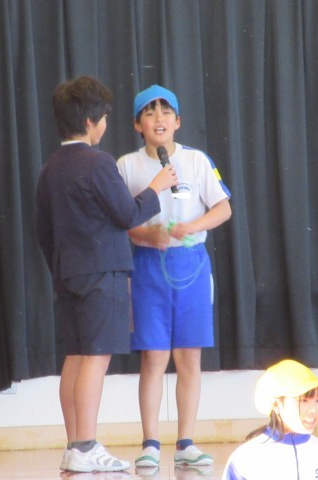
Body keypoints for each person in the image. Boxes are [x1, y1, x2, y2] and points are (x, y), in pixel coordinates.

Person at [36, 76, 177, 473]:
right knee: (95, 360)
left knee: (76, 356)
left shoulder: (50, 168)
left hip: (68, 273)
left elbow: (43, 230)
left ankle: (74, 446)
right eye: (104, 118)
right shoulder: (97, 162)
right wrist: (157, 187)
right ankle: (86, 445)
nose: (105, 125)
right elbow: (127, 214)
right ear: (90, 121)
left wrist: (62, 268)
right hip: (102, 274)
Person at [116, 85, 232, 468]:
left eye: (166, 112)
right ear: (138, 125)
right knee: (153, 357)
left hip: (192, 265)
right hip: (148, 265)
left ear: (178, 121)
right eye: (150, 113)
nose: (159, 119)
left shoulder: (196, 161)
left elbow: (223, 209)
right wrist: (148, 234)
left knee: (189, 356)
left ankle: (186, 443)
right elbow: (120, 221)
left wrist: (191, 226)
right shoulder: (126, 166)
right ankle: (150, 443)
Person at [222, 359, 318, 480]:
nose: (314, 410)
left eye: (317, 400)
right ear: (276, 405)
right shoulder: (246, 458)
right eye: (303, 401)